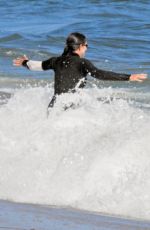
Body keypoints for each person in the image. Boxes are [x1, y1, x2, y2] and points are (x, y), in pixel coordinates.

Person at [13, 32, 147, 109]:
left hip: (54, 105)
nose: (87, 49)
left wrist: (25, 62)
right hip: (69, 105)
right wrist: (128, 77)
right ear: (81, 46)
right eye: (87, 45)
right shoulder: (82, 62)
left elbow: (38, 66)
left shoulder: (56, 61)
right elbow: (99, 74)